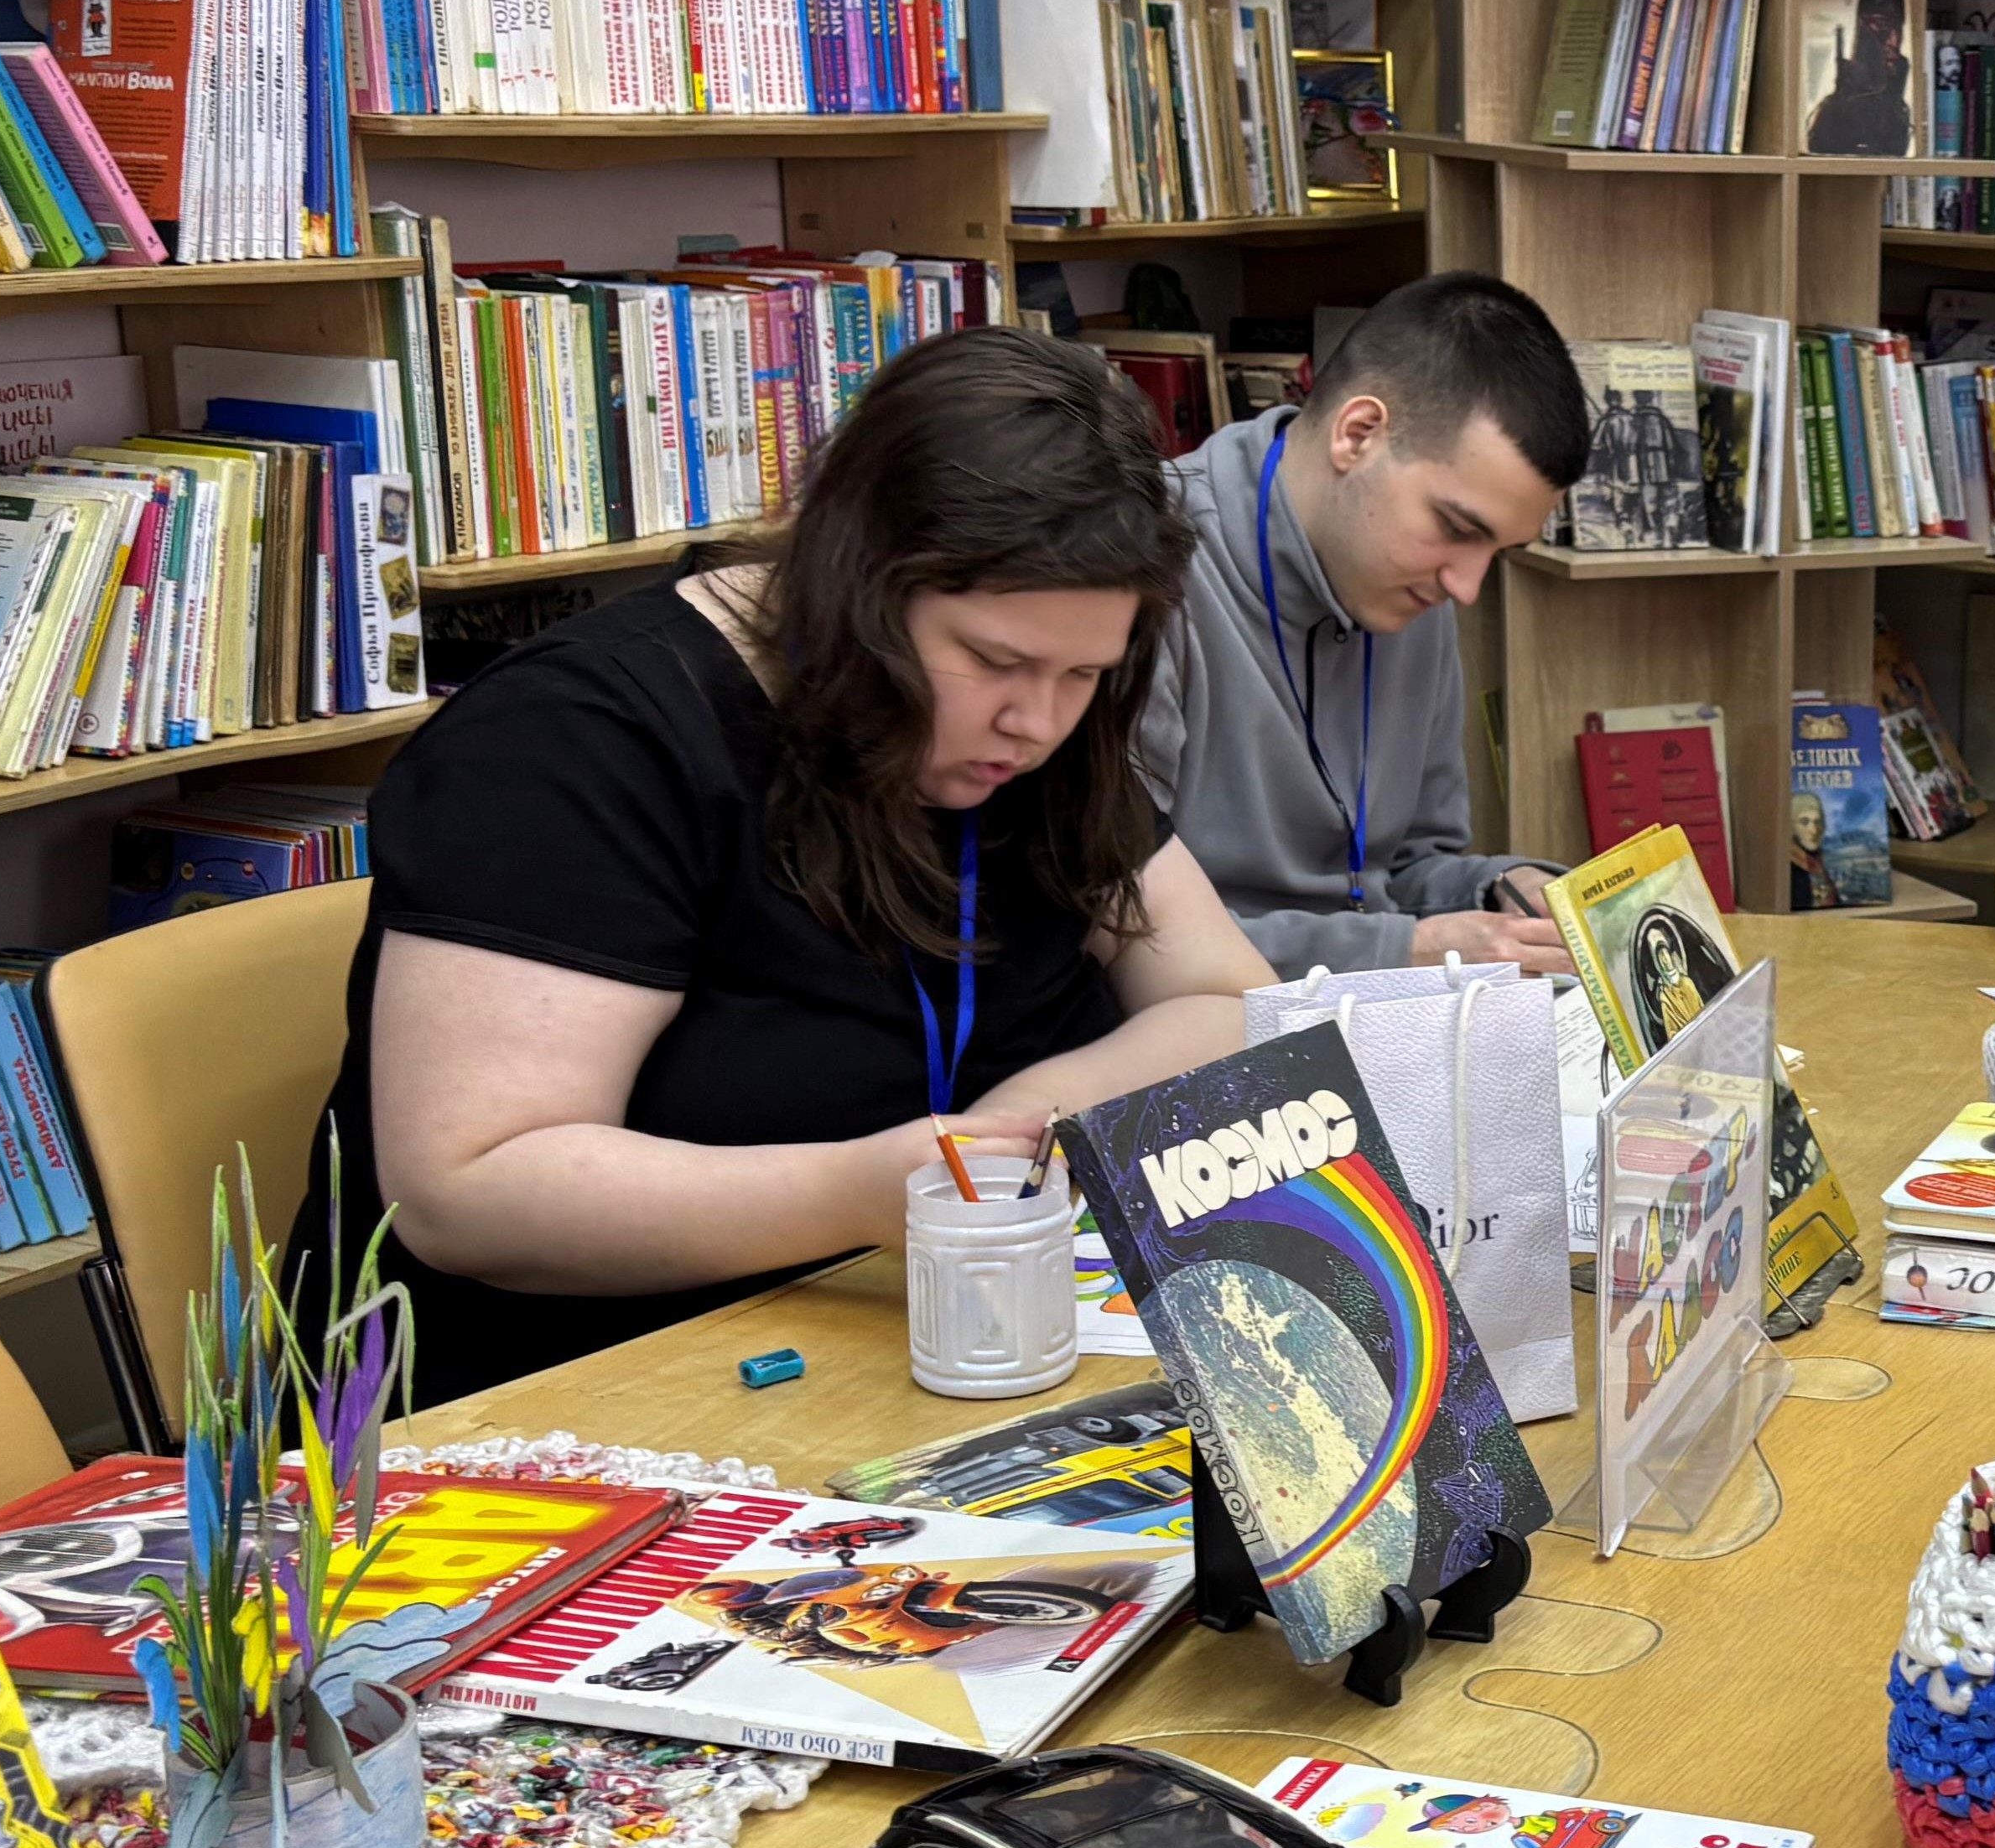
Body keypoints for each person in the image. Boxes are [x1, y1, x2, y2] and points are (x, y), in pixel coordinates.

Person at [319, 327, 1279, 1406]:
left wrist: (1028, 1122)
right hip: (568, 1386)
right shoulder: (573, 741)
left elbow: (1227, 1002)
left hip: (919, 1335)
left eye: (1084, 673)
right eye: (993, 660)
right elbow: (464, 1194)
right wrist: (857, 1193)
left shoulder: (1033, 732)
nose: (1039, 723)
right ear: (857, 582)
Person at [1140, 272, 1588, 974]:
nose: (1467, 587)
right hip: (1204, 1015)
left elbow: (1401, 872)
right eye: (1456, 528)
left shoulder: (1413, 583)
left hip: (1378, 1008)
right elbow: (1119, 928)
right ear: (1358, 434)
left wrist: (1501, 890)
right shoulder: (1145, 566)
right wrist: (1406, 950)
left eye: (1497, 552)